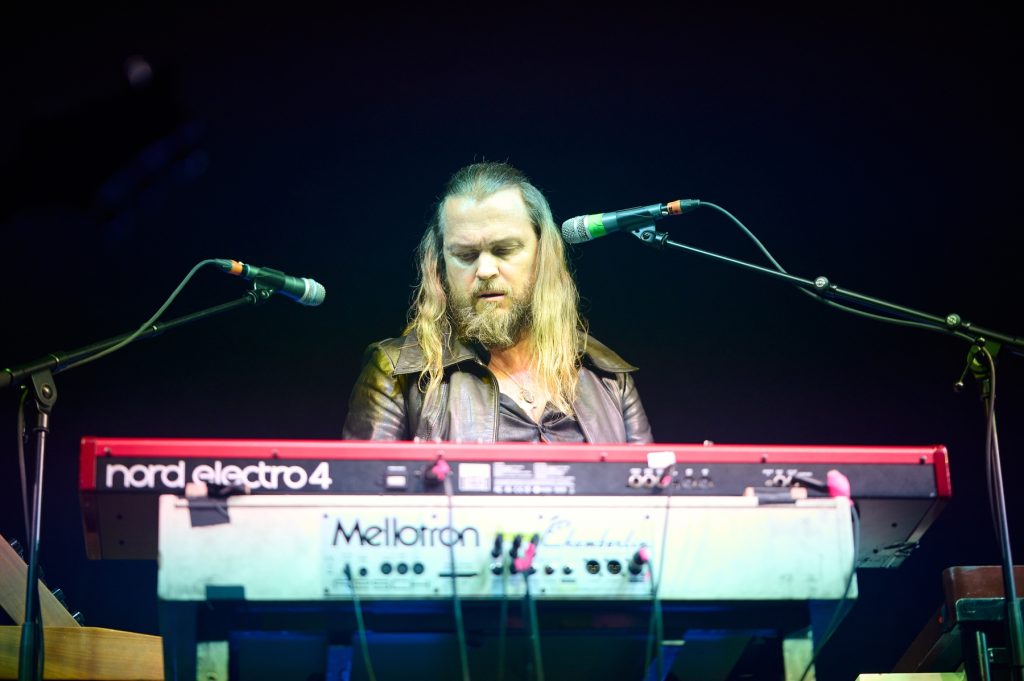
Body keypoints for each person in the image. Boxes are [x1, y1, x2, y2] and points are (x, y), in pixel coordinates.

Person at [343, 162, 652, 443]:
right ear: (440, 264)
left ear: (543, 255)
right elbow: (364, 497)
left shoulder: (608, 377)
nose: (486, 270)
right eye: (465, 255)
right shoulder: (398, 373)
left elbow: (649, 499)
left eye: (504, 250)